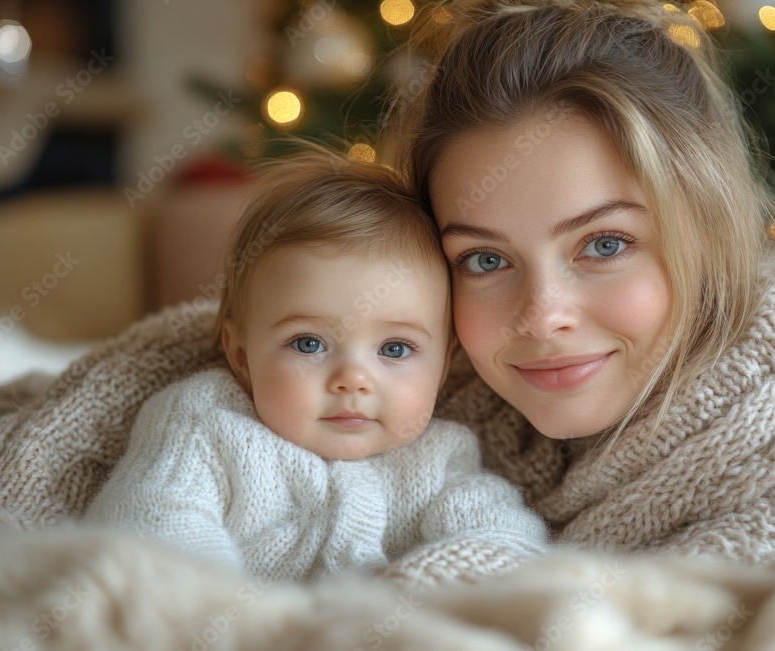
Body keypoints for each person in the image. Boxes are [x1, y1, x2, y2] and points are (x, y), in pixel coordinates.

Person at [385, 0, 775, 564]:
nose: (543, 316)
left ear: (707, 227)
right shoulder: (406, 422)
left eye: (604, 245)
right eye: (486, 260)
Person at [83, 149, 547, 583]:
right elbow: (153, 526)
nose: (353, 380)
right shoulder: (205, 424)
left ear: (443, 367)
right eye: (308, 343)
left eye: (395, 350)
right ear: (241, 355)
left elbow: (504, 546)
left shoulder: (440, 461)